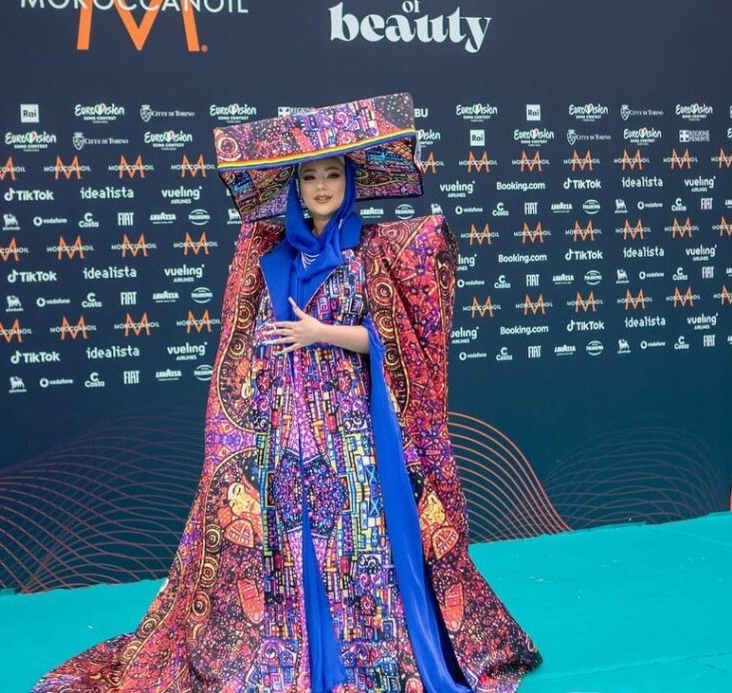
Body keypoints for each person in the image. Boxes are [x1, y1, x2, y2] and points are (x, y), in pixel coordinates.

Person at [32, 93, 542, 692]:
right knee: (288, 543)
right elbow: (245, 346)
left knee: (357, 540)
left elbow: (393, 340)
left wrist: (320, 332)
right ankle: (298, 659)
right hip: (284, 424)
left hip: (352, 427)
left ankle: (367, 661)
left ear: (349, 182)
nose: (322, 187)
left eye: (332, 175)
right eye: (310, 177)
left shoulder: (372, 252)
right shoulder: (268, 257)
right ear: (295, 187)